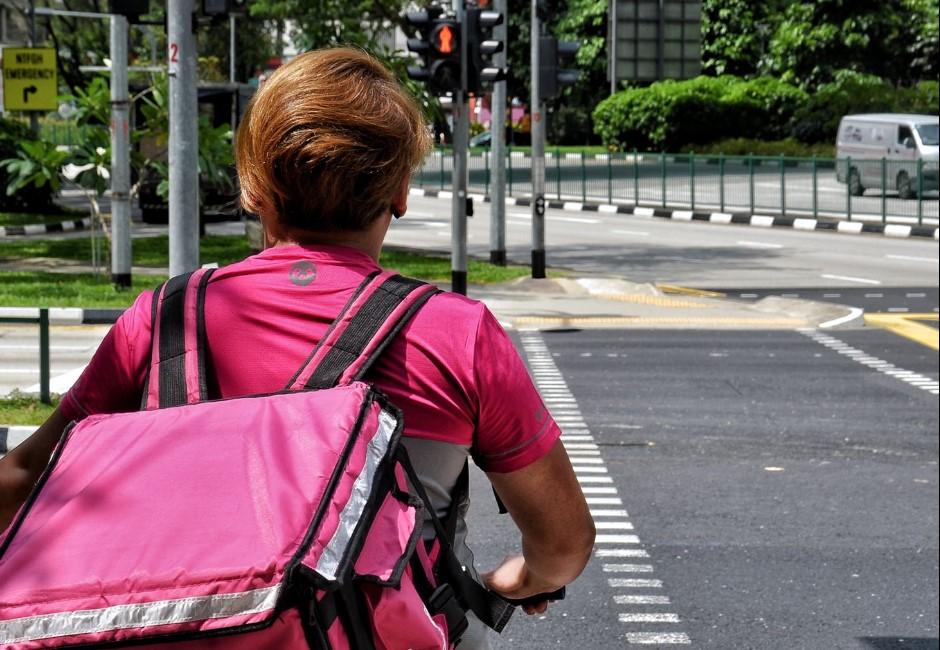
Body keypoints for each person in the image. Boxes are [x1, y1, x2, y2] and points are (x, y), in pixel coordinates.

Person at [0, 47, 595, 647]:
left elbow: (24, 475)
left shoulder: (164, 324)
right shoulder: (454, 334)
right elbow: (562, 546)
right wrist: (508, 582)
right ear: (401, 192)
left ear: (252, 189)